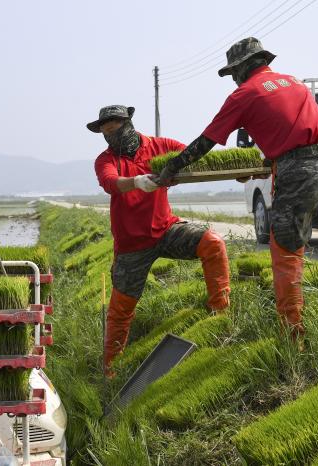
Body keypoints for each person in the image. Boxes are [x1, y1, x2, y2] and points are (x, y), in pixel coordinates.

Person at [157, 37, 318, 340]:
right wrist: (270, 160)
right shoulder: (294, 83)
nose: (233, 81)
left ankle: (292, 332)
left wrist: (172, 168)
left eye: (233, 75)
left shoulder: (242, 96)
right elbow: (297, 131)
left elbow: (207, 141)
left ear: (241, 69)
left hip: (298, 173)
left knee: (286, 251)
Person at [90, 105, 230, 375]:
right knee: (121, 310)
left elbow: (197, 158)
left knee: (213, 243)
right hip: (131, 244)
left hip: (166, 229)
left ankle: (220, 314)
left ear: (128, 123)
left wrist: (240, 171)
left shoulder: (161, 146)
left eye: (115, 129)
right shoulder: (105, 160)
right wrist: (137, 182)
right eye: (105, 133)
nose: (111, 136)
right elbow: (111, 183)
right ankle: (110, 370)